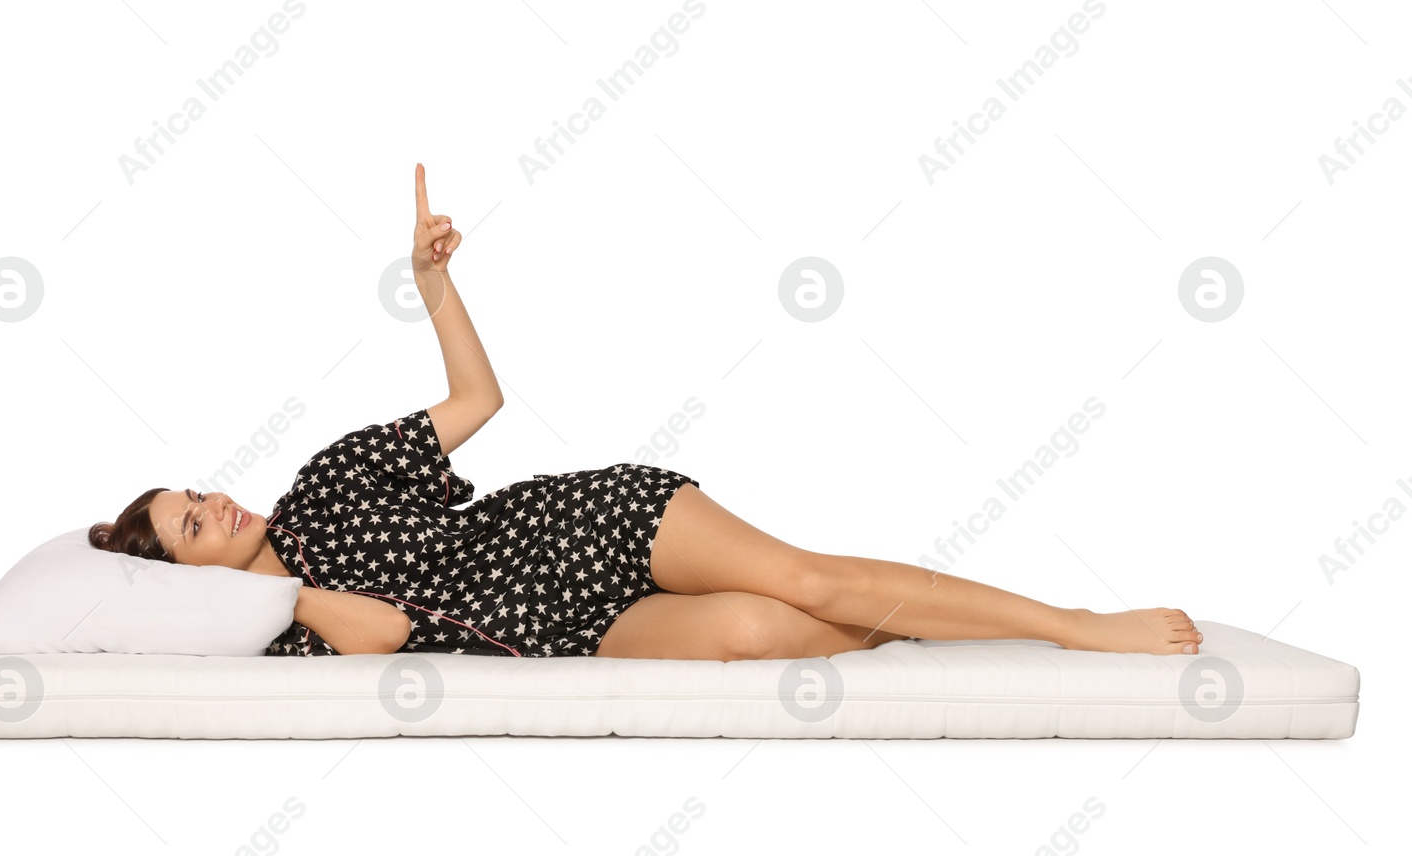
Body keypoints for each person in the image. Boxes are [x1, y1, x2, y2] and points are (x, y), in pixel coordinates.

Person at [90, 164, 1203, 662]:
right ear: (182, 582)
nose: (216, 503)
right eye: (194, 524)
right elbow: (382, 630)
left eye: (198, 491)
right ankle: (926, 633)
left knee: (806, 579)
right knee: (757, 631)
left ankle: (1069, 626)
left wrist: (435, 290)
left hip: (581, 527)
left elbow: (478, 401)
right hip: (562, 634)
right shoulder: (285, 628)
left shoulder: (326, 478)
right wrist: (271, 595)